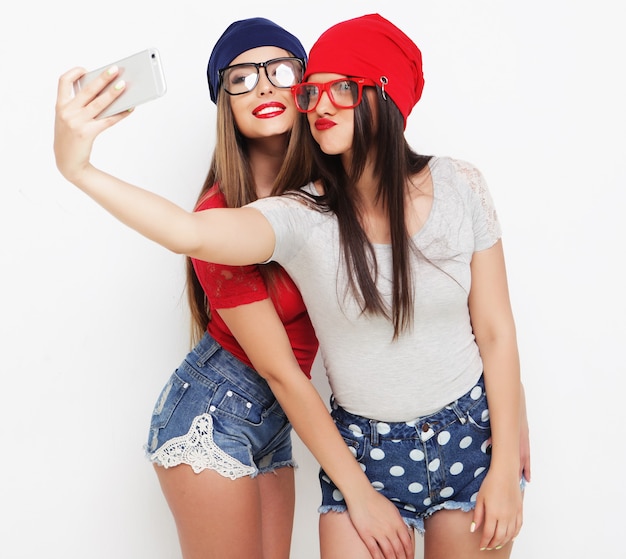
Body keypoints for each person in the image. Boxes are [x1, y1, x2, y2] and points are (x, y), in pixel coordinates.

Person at [54, 12, 529, 558]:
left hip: (433, 434)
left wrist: (508, 428)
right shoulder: (301, 215)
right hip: (285, 430)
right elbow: (194, 236)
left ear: (384, 94)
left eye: (333, 88)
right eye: (315, 92)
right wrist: (80, 169)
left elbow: (491, 328)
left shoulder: (454, 184)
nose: (317, 103)